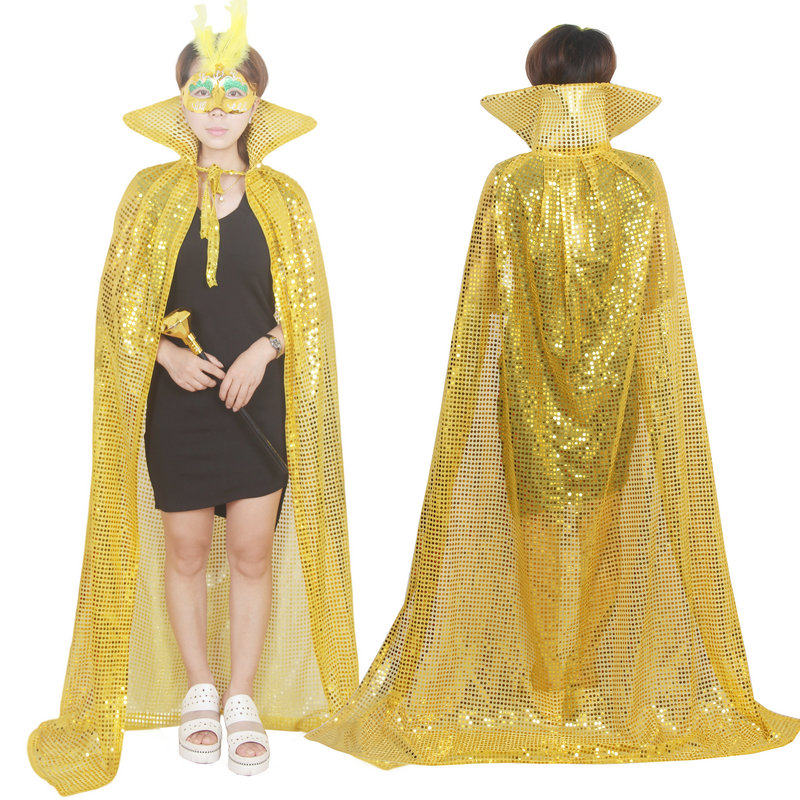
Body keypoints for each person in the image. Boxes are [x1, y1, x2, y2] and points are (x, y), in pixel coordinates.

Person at [306, 23, 800, 765]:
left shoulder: (513, 179)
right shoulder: (639, 177)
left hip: (528, 388)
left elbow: (486, 301)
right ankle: (585, 682)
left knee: (538, 529)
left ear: (537, 83)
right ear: (607, 81)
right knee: (604, 528)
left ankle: (548, 685)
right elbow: (659, 295)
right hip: (620, 389)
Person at [28, 0, 357, 791]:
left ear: (256, 104)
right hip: (176, 407)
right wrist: (164, 354)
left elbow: (308, 311)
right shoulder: (148, 196)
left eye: (233, 92)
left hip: (258, 404)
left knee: (250, 553)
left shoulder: (286, 200)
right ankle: (198, 692)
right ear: (180, 102)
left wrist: (265, 351)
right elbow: (119, 305)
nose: (217, 108)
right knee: (182, 549)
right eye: (201, 91)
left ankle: (242, 698)